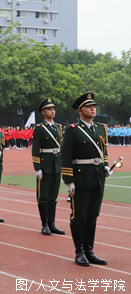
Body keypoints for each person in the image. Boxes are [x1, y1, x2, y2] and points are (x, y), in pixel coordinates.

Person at [61, 93, 110, 267]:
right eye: (89, 107)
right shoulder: (73, 130)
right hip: (80, 178)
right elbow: (65, 156)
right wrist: (68, 180)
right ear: (80, 110)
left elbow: (103, 150)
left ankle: (89, 250)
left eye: (94, 106)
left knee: (92, 215)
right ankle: (79, 251)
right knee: (79, 215)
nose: (93, 109)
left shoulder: (101, 128)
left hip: (97, 178)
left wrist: (105, 164)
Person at [32, 98, 65, 236]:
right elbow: (35, 149)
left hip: (56, 165)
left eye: (53, 109)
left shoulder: (58, 127)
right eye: (49, 109)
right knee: (43, 196)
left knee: (53, 196)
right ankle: (44, 224)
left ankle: (52, 223)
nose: (52, 111)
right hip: (45, 165)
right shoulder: (39, 128)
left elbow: (61, 146)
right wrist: (37, 167)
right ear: (43, 112)